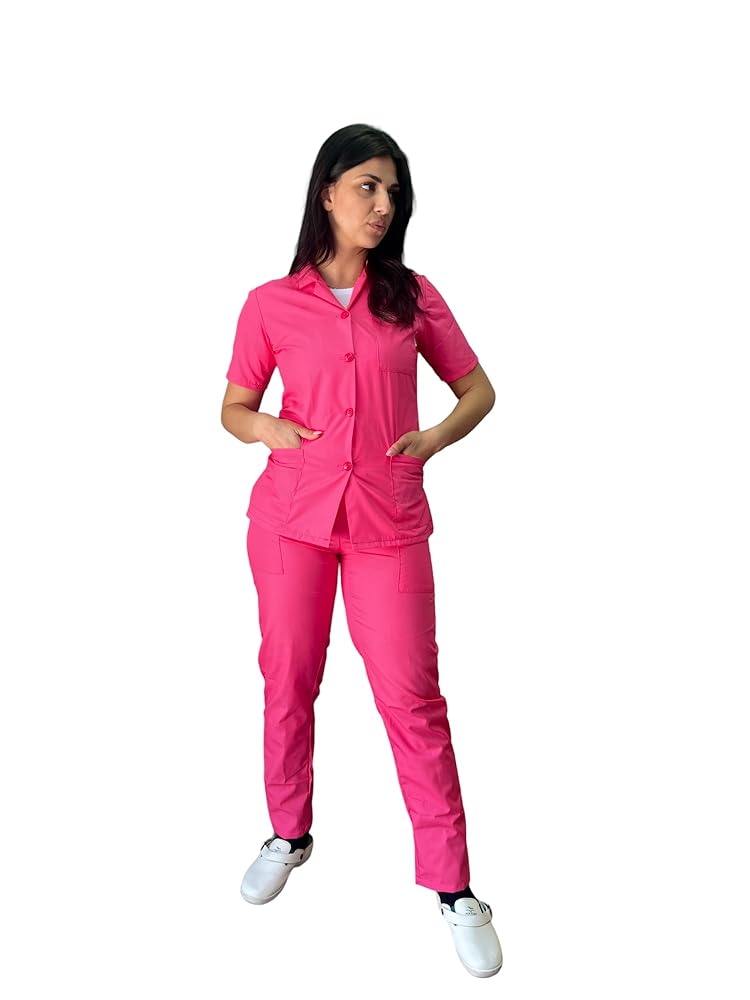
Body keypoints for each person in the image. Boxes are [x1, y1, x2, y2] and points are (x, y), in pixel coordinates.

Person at [221, 124, 502, 978]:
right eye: (369, 187)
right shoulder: (270, 303)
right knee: (288, 677)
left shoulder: (411, 297)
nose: (383, 206)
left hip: (388, 521)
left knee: (413, 697)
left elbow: (478, 389)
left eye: (393, 193)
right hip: (290, 519)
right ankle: (288, 832)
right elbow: (233, 407)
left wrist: (435, 439)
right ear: (328, 192)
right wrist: (266, 427)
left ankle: (454, 887)